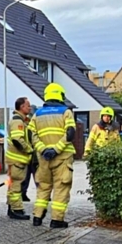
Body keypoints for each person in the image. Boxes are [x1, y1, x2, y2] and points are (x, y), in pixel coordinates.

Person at [28, 83, 76, 228]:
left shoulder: (37, 114)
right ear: (60, 95)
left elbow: (31, 134)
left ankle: (37, 216)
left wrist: (43, 149)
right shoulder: (66, 112)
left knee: (43, 187)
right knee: (61, 188)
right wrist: (56, 149)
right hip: (62, 157)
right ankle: (57, 220)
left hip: (44, 158)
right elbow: (70, 133)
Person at [5, 96, 33, 219]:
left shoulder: (22, 120)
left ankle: (12, 207)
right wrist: (29, 149)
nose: (30, 107)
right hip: (17, 160)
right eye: (28, 105)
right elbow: (17, 139)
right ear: (22, 107)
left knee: (13, 185)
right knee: (16, 185)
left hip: (16, 160)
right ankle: (17, 210)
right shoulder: (18, 121)